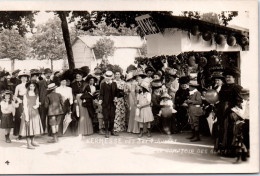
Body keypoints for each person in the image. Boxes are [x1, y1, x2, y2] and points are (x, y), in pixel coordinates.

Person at [215, 67, 243, 157]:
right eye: (226, 77)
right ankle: (223, 149)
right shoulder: (223, 87)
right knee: (222, 129)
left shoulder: (238, 87)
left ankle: (231, 151)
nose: (227, 78)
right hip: (221, 110)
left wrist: (232, 111)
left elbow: (239, 101)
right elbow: (219, 98)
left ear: (234, 78)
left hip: (231, 112)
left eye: (230, 77)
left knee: (230, 130)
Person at [19, 81, 43, 149]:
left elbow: (37, 103)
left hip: (34, 112)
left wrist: (36, 106)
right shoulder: (25, 95)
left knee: (33, 126)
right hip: (28, 111)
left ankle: (32, 141)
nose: (32, 87)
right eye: (30, 86)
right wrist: (26, 116)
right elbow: (25, 105)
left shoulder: (36, 94)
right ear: (28, 87)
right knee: (28, 127)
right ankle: (28, 143)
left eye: (33, 86)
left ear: (35, 87)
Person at [71, 69, 93, 137]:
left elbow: (89, 93)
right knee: (78, 114)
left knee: (85, 114)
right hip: (76, 100)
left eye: (79, 76)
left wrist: (85, 99)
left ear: (82, 76)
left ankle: (86, 131)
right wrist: (74, 99)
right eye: (76, 76)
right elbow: (72, 93)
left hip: (84, 100)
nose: (77, 77)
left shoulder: (86, 84)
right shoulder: (73, 84)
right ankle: (79, 131)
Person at [99, 71, 117, 138]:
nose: (108, 79)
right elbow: (101, 94)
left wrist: (115, 97)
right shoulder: (103, 84)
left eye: (110, 77)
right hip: (105, 103)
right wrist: (100, 100)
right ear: (105, 77)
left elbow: (116, 92)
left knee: (112, 117)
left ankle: (111, 130)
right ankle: (106, 131)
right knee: (106, 117)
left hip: (112, 103)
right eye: (107, 77)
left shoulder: (114, 83)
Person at [14, 70, 30, 139]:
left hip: (28, 101)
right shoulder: (18, 86)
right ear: (20, 78)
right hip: (20, 102)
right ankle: (20, 134)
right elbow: (15, 95)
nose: (24, 79)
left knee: (28, 117)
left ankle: (28, 134)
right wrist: (18, 99)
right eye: (22, 77)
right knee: (20, 117)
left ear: (27, 78)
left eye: (25, 77)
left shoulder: (30, 85)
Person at [38, 68, 53, 134]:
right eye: (47, 73)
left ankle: (50, 131)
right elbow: (38, 92)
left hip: (51, 102)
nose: (48, 75)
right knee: (42, 117)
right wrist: (39, 101)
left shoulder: (53, 82)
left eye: (50, 73)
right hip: (43, 102)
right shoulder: (40, 83)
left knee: (50, 117)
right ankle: (42, 130)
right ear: (44, 74)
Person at [113, 70, 126, 135]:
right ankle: (116, 128)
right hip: (116, 98)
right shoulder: (113, 82)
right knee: (116, 113)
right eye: (116, 74)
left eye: (118, 74)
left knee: (122, 112)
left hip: (121, 99)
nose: (117, 75)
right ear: (114, 75)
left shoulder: (123, 82)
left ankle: (121, 127)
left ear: (120, 75)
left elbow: (125, 91)